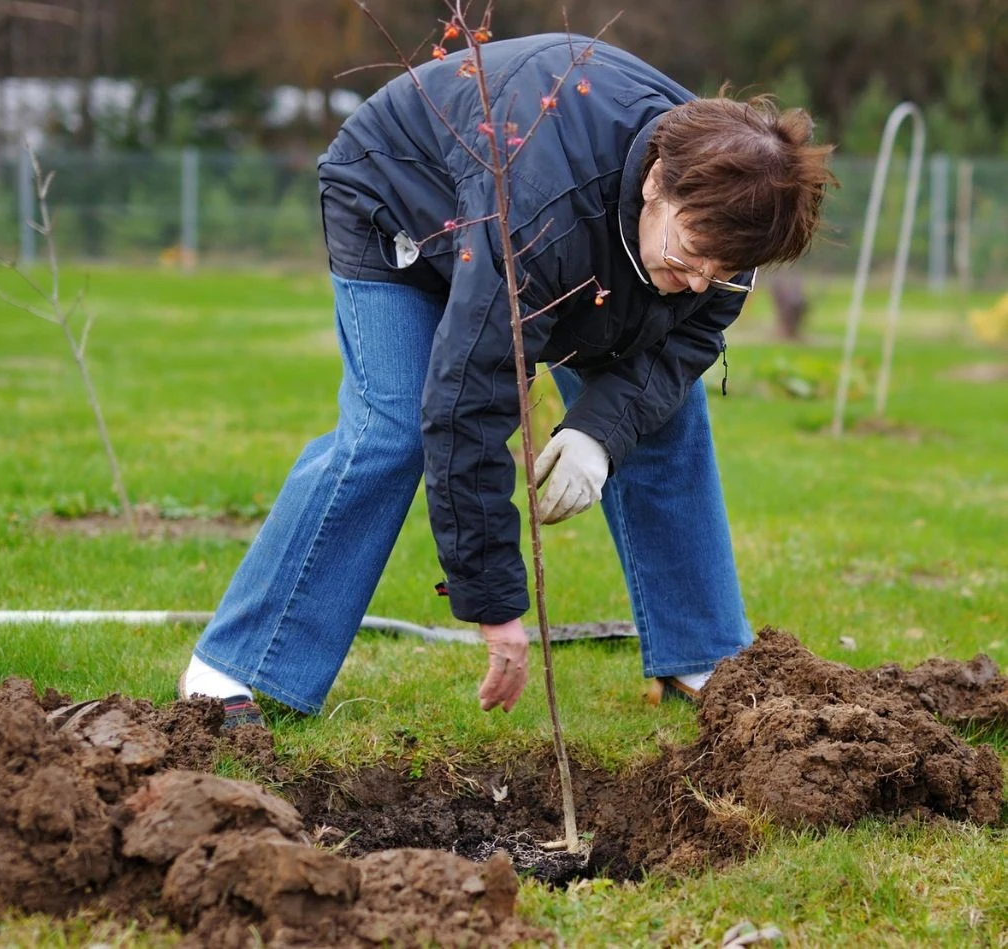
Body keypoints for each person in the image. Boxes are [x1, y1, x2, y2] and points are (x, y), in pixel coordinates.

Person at [177, 32, 835, 726]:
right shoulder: (542, 209)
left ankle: (700, 659)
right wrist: (495, 606)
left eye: (722, 270)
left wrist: (598, 434)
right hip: (401, 201)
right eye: (693, 254)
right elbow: (470, 397)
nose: (700, 281)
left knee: (664, 421)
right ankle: (238, 665)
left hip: (583, 238)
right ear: (655, 184)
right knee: (392, 430)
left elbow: (687, 340)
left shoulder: (734, 219)